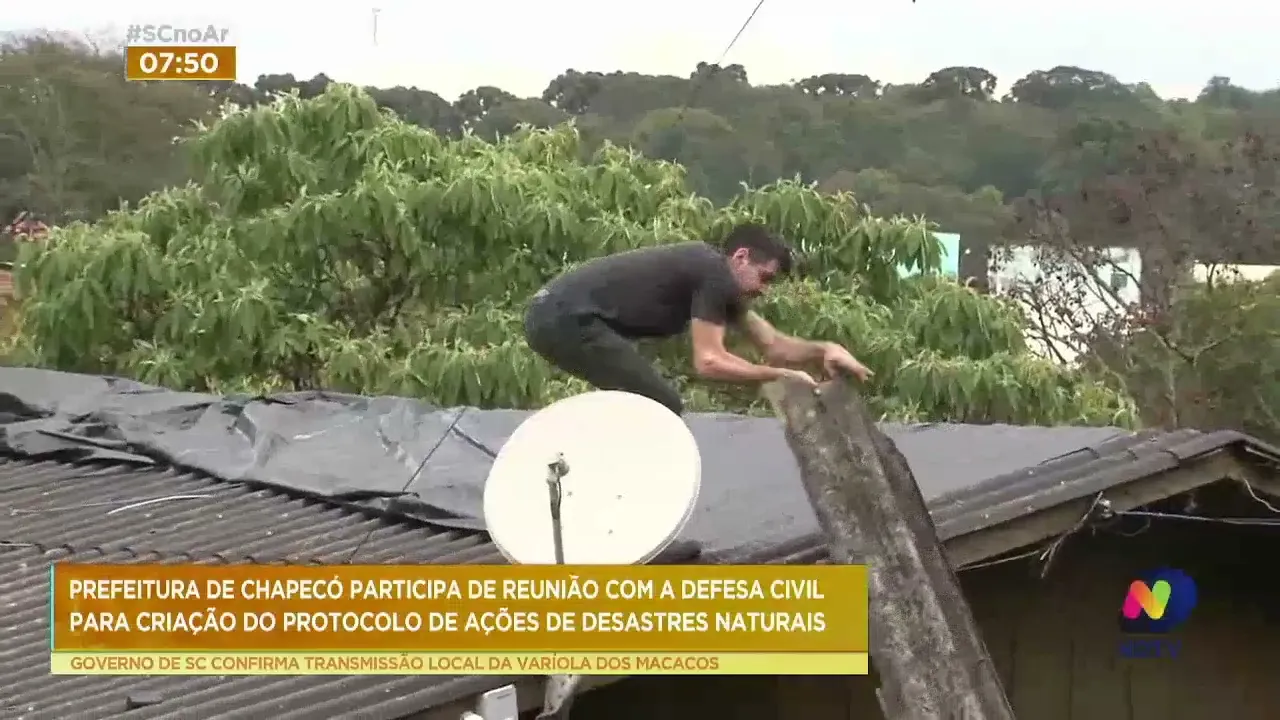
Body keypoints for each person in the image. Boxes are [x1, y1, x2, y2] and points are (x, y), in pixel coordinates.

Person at [523, 222, 873, 416]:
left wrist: (825, 349)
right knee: (663, 404)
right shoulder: (714, 274)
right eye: (764, 278)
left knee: (644, 401)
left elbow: (774, 346)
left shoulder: (715, 280)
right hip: (565, 318)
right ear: (740, 257)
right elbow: (709, 362)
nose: (764, 290)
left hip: (553, 315)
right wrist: (781, 376)